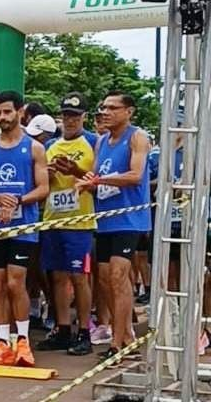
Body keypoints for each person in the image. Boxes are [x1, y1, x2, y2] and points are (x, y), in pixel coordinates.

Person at [0, 90, 49, 367]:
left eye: (8, 112)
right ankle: (2, 342)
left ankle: (23, 341)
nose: (3, 117)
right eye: (0, 112)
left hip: (23, 226)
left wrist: (18, 200)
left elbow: (43, 188)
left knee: (16, 281)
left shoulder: (34, 148)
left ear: (20, 112)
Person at [77, 91, 151, 363]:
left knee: (119, 278)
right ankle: (127, 336)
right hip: (105, 219)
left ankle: (118, 344)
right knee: (107, 280)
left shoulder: (137, 137)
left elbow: (135, 175)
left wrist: (97, 182)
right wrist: (85, 182)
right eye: (103, 107)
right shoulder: (101, 142)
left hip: (129, 219)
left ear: (128, 111)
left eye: (112, 108)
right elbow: (97, 178)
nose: (106, 112)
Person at [37, 93, 96, 356]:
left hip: (80, 222)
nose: (70, 120)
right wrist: (46, 174)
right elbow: (38, 181)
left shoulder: (93, 141)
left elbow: (100, 180)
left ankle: (84, 331)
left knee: (79, 277)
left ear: (84, 116)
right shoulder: (50, 145)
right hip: (52, 219)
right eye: (66, 115)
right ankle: (62, 329)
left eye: (75, 115)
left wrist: (75, 171)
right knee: (57, 276)